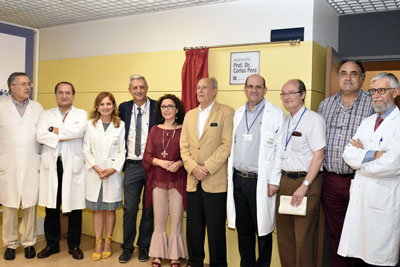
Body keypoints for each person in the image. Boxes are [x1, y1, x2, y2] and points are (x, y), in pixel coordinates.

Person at [339, 72, 400, 267]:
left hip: (383, 201)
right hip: (362, 199)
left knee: (379, 259)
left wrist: (361, 158)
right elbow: (348, 153)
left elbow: (392, 164)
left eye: (382, 90)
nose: (376, 95)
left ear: (396, 92)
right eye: (373, 91)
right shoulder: (367, 123)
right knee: (360, 257)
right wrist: (373, 154)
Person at [318, 61, 373, 267]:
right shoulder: (325, 105)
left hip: (360, 180)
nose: (347, 78)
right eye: (343, 73)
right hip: (331, 181)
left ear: (362, 78)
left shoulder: (373, 104)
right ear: (338, 77)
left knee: (361, 232)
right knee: (335, 231)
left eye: (353, 73)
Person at [226, 74, 285, 267]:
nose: (254, 90)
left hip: (259, 181)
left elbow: (279, 150)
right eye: (250, 86)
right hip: (238, 179)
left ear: (265, 90)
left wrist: (274, 181)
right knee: (244, 231)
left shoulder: (275, 114)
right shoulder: (238, 113)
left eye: (258, 87)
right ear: (245, 89)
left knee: (263, 230)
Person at [180, 77, 234, 267]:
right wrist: (193, 167)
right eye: (198, 88)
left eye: (205, 87)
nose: (200, 91)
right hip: (193, 180)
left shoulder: (226, 112)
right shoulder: (189, 115)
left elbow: (226, 145)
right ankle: (195, 262)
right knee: (194, 229)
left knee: (216, 230)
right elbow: (183, 146)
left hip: (215, 180)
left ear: (214, 91)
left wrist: (207, 168)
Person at [276, 79, 326, 267]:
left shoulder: (314, 120)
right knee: (285, 237)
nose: (287, 97)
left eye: (291, 93)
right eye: (284, 93)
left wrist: (305, 186)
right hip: (285, 181)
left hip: (305, 182)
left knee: (303, 238)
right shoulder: (285, 120)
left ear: (303, 95)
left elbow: (319, 155)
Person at [36, 81, 87, 260]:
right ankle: (52, 245)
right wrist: (63, 134)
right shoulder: (46, 114)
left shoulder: (81, 114)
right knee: (51, 206)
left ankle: (74, 246)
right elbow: (40, 135)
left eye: (67, 93)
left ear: (73, 95)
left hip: (72, 166)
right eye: (60, 92)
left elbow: (78, 132)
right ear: (56, 94)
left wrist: (53, 132)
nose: (64, 95)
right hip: (52, 164)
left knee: (74, 207)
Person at [0, 72, 43, 260]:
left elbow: (43, 135)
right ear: (12, 87)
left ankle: (28, 243)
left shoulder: (37, 107)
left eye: (29, 84)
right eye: (23, 84)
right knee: (9, 207)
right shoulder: (1, 107)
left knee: (29, 206)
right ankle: (10, 244)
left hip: (31, 162)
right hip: (8, 163)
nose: (28, 87)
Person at [142, 94, 187, 267]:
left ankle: (175, 255)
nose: (166, 109)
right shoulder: (154, 130)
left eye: (170, 106)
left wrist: (180, 163)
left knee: (176, 219)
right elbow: (147, 156)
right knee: (158, 219)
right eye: (163, 107)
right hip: (158, 180)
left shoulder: (184, 129)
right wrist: (159, 162)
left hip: (177, 179)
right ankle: (158, 254)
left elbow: (189, 154)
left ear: (177, 109)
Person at [82, 92, 126, 261]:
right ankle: (98, 242)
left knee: (109, 209)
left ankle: (108, 241)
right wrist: (97, 168)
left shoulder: (120, 125)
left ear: (113, 106)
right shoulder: (90, 125)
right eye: (102, 104)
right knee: (98, 209)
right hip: (95, 173)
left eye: (109, 104)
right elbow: (86, 150)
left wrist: (113, 169)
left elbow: (122, 150)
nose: (105, 107)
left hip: (112, 174)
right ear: (97, 107)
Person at [118, 74, 157, 263]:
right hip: (132, 166)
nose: (139, 90)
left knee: (149, 209)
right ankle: (127, 247)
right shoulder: (124, 108)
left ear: (147, 88)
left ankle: (144, 246)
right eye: (135, 87)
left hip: (152, 166)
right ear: (130, 90)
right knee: (130, 209)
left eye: (142, 87)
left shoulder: (158, 106)